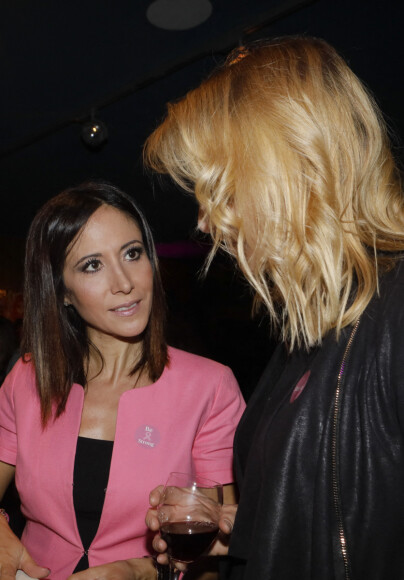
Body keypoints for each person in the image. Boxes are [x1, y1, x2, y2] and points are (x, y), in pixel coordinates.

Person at [143, 36, 404, 578]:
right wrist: (240, 530)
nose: (206, 221)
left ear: (285, 166)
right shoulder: (305, 338)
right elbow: (341, 512)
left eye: (222, 187)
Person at [0, 181, 245, 579]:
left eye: (132, 253)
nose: (124, 282)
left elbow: (211, 546)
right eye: (92, 264)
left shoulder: (210, 387)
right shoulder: (29, 376)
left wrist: (138, 571)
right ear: (63, 293)